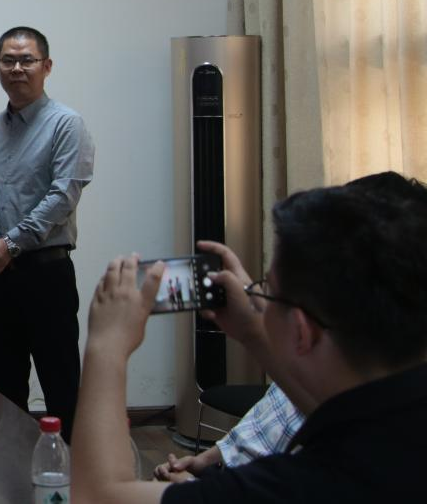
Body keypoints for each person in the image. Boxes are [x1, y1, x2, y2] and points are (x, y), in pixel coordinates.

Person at [72, 172, 427, 503]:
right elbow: (338, 416)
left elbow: (98, 496)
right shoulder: (392, 425)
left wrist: (107, 346)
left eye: (268, 289)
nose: (260, 300)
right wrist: (254, 331)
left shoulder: (303, 482)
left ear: (302, 331)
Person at [0, 26, 95, 439]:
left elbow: (62, 197)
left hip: (46, 276)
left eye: (26, 60)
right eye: (7, 60)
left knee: (61, 383)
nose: (16, 68)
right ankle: (9, 470)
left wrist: (10, 244)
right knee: (2, 386)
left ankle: (74, 472)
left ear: (47, 66)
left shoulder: (66, 124)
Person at [154, 382, 304, 482]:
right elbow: (251, 427)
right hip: (224, 475)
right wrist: (201, 461)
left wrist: (191, 485)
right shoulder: (291, 379)